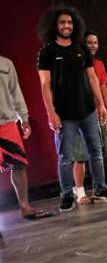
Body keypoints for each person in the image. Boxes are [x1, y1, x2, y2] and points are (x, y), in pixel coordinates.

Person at [37, 6, 107, 212]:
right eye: (62, 23)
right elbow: (44, 85)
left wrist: (100, 104)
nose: (67, 26)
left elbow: (92, 77)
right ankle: (67, 195)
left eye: (70, 22)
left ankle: (100, 189)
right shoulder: (47, 52)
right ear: (54, 26)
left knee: (96, 152)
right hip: (64, 115)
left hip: (88, 110)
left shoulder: (81, 48)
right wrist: (51, 113)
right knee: (66, 157)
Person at [0, 55, 53, 219]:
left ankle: (25, 207)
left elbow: (15, 91)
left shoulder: (6, 63)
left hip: (7, 123)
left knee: (19, 164)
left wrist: (24, 118)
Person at [72, 31, 107, 204]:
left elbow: (104, 88)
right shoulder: (76, 63)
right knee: (80, 155)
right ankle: (80, 191)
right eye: (89, 42)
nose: (92, 45)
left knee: (97, 154)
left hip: (98, 114)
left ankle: (99, 189)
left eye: (95, 42)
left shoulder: (98, 64)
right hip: (80, 115)